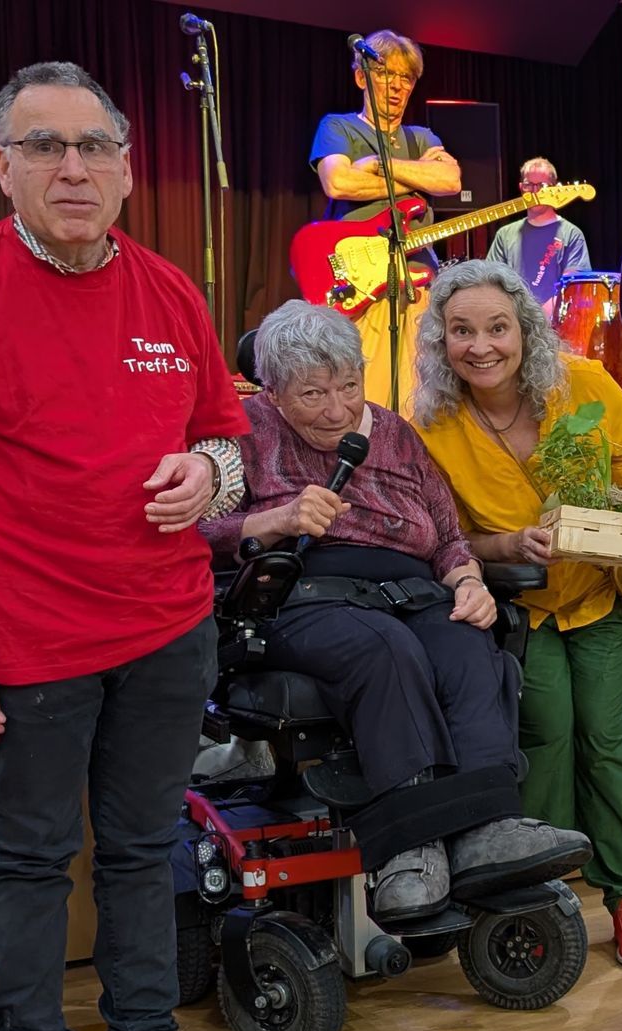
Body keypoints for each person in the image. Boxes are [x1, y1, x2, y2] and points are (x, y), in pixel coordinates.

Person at [0, 63, 248, 1031]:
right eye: (45, 146)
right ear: (3, 167)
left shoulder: (171, 290)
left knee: (144, 847)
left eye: (94, 147)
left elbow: (227, 447)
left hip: (168, 628)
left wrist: (210, 474)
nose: (72, 168)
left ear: (126, 169)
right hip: (24, 640)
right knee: (32, 857)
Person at [199, 299, 591, 919]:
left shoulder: (394, 433)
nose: (337, 410)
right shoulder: (243, 432)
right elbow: (198, 531)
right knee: (386, 649)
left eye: (348, 387)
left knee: (466, 642)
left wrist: (468, 581)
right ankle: (412, 849)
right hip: (302, 597)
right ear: (272, 392)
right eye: (312, 394)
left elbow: (448, 534)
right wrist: (278, 519)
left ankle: (488, 830)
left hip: (412, 590)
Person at [412, 260, 622, 967]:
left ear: (525, 329)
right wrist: (508, 544)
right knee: (547, 732)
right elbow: (446, 539)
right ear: (440, 340)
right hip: (521, 604)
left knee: (605, 735)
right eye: (461, 331)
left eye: (497, 327)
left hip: (606, 592)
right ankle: (541, 893)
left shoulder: (586, 384)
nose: (481, 346)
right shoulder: (431, 426)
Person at [310, 28, 460, 413]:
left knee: (418, 395)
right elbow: (338, 182)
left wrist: (379, 164)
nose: (396, 86)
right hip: (361, 281)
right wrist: (416, 175)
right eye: (385, 74)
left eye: (405, 78)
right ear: (361, 78)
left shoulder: (421, 137)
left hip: (417, 279)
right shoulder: (338, 127)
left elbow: (449, 180)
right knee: (364, 395)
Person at [487, 157, 591, 322]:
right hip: (512, 324)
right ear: (521, 188)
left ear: (554, 189)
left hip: (555, 327)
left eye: (542, 186)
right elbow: (491, 282)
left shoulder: (572, 234)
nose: (535, 191)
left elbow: (573, 287)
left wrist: (536, 320)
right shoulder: (505, 234)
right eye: (529, 185)